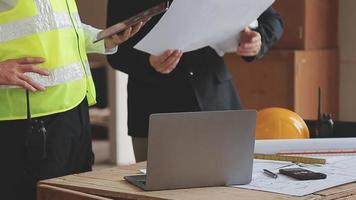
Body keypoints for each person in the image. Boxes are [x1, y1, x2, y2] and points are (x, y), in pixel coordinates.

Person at [0, 0, 144, 199]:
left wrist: (100, 38)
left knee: (75, 193)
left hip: (74, 111)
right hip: (24, 119)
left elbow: (62, 27)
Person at [107, 0, 284, 162]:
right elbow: (114, 49)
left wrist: (258, 41)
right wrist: (147, 63)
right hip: (156, 108)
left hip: (217, 100)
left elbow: (272, 19)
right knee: (162, 192)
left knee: (231, 187)